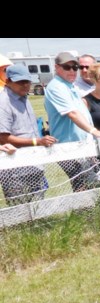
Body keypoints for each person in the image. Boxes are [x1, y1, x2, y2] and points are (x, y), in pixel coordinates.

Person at [44, 52, 100, 192]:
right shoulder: (56, 87)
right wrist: (95, 131)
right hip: (69, 147)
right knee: (82, 187)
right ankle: (85, 213)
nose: (72, 71)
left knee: (93, 186)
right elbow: (72, 114)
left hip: (83, 145)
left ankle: (94, 213)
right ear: (57, 67)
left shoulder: (70, 86)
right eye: (67, 67)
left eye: (75, 67)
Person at [0, 64, 55, 205]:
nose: (25, 85)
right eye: (20, 82)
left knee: (38, 207)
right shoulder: (3, 102)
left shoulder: (24, 98)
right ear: (8, 81)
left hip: (34, 164)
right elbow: (3, 138)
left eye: (27, 81)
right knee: (20, 210)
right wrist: (37, 142)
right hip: (15, 169)